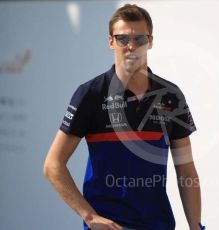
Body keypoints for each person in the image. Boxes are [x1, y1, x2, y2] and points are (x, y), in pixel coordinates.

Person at [43, 4, 204, 230]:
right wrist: (89, 216)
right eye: (122, 39)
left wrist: (196, 227)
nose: (131, 47)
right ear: (111, 42)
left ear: (150, 41)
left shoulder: (171, 96)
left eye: (139, 39)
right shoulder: (90, 94)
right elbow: (53, 165)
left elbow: (186, 171)